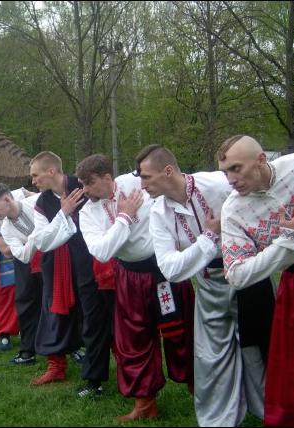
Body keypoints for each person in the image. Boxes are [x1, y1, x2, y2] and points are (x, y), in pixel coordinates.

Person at [138, 145, 274, 426]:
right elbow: (171, 268)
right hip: (210, 283)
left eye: (146, 177)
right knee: (211, 354)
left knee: (258, 344)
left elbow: (260, 205)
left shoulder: (217, 184)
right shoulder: (158, 213)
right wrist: (210, 238)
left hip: (249, 273)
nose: (142, 184)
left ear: (167, 171)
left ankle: (269, 409)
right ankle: (220, 419)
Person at [217, 136, 294, 427]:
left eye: (236, 168)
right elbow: (236, 274)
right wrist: (286, 240)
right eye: (225, 172)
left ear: (260, 160)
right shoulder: (233, 211)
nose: (231, 180)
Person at [77, 154, 195, 419]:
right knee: (134, 339)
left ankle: (200, 390)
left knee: (182, 331)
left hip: (163, 270)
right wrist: (125, 218)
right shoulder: (87, 213)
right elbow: (102, 252)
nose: (84, 190)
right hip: (129, 276)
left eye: (89, 184)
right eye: (82, 185)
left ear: (107, 178)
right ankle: (145, 404)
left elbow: (174, 187)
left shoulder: (136, 183)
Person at [29, 151, 111, 397]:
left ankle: (127, 371)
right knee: (87, 319)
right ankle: (93, 379)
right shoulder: (42, 203)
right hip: (66, 263)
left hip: (101, 259)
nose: (33, 181)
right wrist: (63, 212)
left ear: (51, 171)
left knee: (107, 317)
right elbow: (42, 241)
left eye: (35, 175)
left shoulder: (83, 183)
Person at [0, 183, 43, 364]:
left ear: (8, 199)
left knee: (59, 302)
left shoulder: (36, 202)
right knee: (25, 303)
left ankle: (72, 349)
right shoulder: (1, 226)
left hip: (54, 255)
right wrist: (38, 236)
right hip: (25, 260)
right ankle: (28, 352)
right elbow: (15, 253)